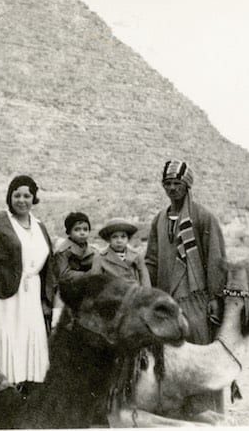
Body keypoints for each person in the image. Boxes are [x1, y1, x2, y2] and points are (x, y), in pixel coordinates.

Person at [144, 159, 228, 413]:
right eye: (168, 184)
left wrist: (215, 297)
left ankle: (207, 412)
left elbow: (216, 259)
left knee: (200, 358)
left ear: (187, 185)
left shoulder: (203, 217)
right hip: (168, 302)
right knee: (172, 359)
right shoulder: (159, 219)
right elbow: (151, 259)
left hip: (197, 300)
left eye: (177, 184)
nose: (172, 189)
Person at [0, 175, 56, 390]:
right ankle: (2, 388)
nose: (22, 200)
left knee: (27, 337)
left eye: (27, 195)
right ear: (9, 197)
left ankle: (26, 388)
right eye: (16, 195)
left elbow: (49, 263)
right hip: (5, 295)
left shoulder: (40, 226)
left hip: (31, 295)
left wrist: (48, 299)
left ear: (34, 198)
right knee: (7, 337)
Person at [91, 218, 151, 287]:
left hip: (134, 293)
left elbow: (145, 279)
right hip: (111, 295)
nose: (119, 241)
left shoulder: (136, 256)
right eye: (115, 237)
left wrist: (146, 295)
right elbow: (95, 283)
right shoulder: (100, 257)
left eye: (123, 237)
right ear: (108, 239)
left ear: (128, 239)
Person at [54, 211, 96, 284]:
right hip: (69, 288)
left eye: (85, 229)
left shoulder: (93, 250)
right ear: (69, 232)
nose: (82, 233)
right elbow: (64, 275)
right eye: (77, 229)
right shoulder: (63, 252)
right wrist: (88, 275)